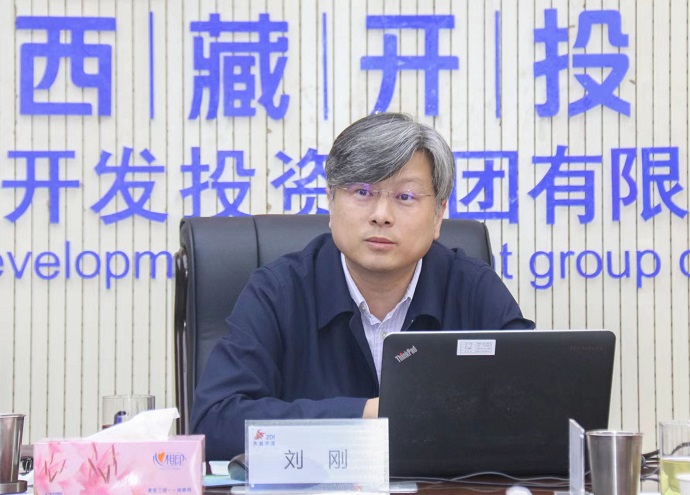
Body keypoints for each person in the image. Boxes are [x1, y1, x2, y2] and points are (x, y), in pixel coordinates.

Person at [191, 112, 535, 459]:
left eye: (405, 197)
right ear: (330, 201)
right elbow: (215, 423)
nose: (381, 214)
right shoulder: (278, 292)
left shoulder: (472, 288)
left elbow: (539, 406)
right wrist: (368, 415)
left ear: (438, 214)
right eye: (362, 191)